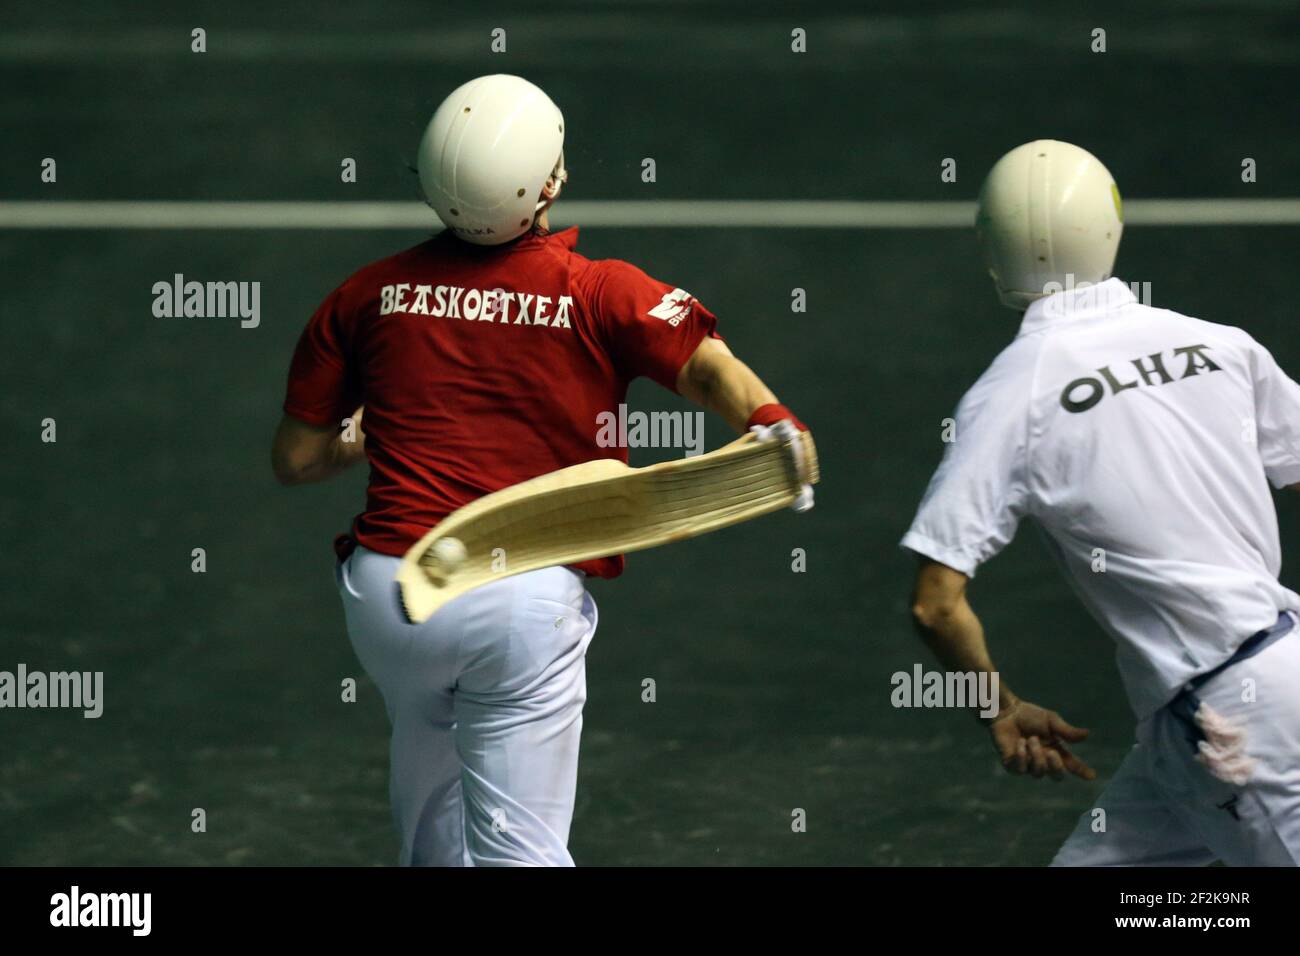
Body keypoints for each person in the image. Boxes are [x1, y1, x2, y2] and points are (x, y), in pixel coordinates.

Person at [271, 74, 807, 866]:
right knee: (522, 852)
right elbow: (704, 370)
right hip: (519, 599)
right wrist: (772, 424)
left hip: (391, 597)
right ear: (551, 180)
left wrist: (360, 438)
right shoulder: (599, 290)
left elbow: (297, 457)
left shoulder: (363, 296)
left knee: (433, 830)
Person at [903, 139, 1300, 865]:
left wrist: (999, 707)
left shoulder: (1010, 394)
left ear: (992, 247)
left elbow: (936, 601)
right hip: (1228, 697)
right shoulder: (1220, 345)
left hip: (1233, 727)